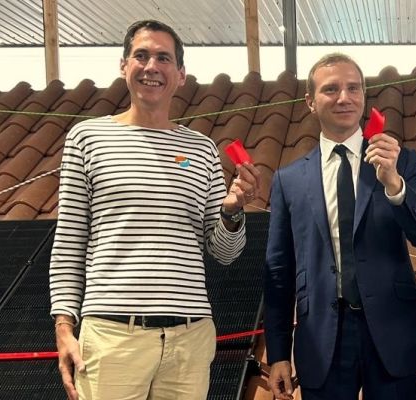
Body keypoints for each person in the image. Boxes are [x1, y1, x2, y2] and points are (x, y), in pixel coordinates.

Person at [49, 19, 260, 400]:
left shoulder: (202, 150)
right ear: (123, 66)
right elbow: (69, 241)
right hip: (112, 336)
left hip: (190, 339)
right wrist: (64, 327)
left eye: (164, 58)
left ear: (180, 75)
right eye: (141, 55)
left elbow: (225, 253)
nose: (151, 67)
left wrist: (232, 210)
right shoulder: (87, 138)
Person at [263, 53, 416, 400]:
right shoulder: (289, 180)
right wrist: (279, 353)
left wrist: (395, 185)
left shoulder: (401, 161)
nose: (344, 97)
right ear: (310, 102)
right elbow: (279, 272)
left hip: (394, 331)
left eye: (353, 88)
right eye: (331, 89)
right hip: (322, 339)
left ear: (363, 96)